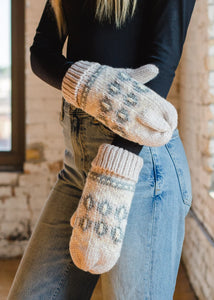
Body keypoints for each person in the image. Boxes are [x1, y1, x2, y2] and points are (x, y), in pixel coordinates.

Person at [8, 0, 196, 299]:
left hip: (137, 168)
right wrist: (90, 83)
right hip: (76, 166)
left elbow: (161, 64)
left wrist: (114, 172)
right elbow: (41, 52)